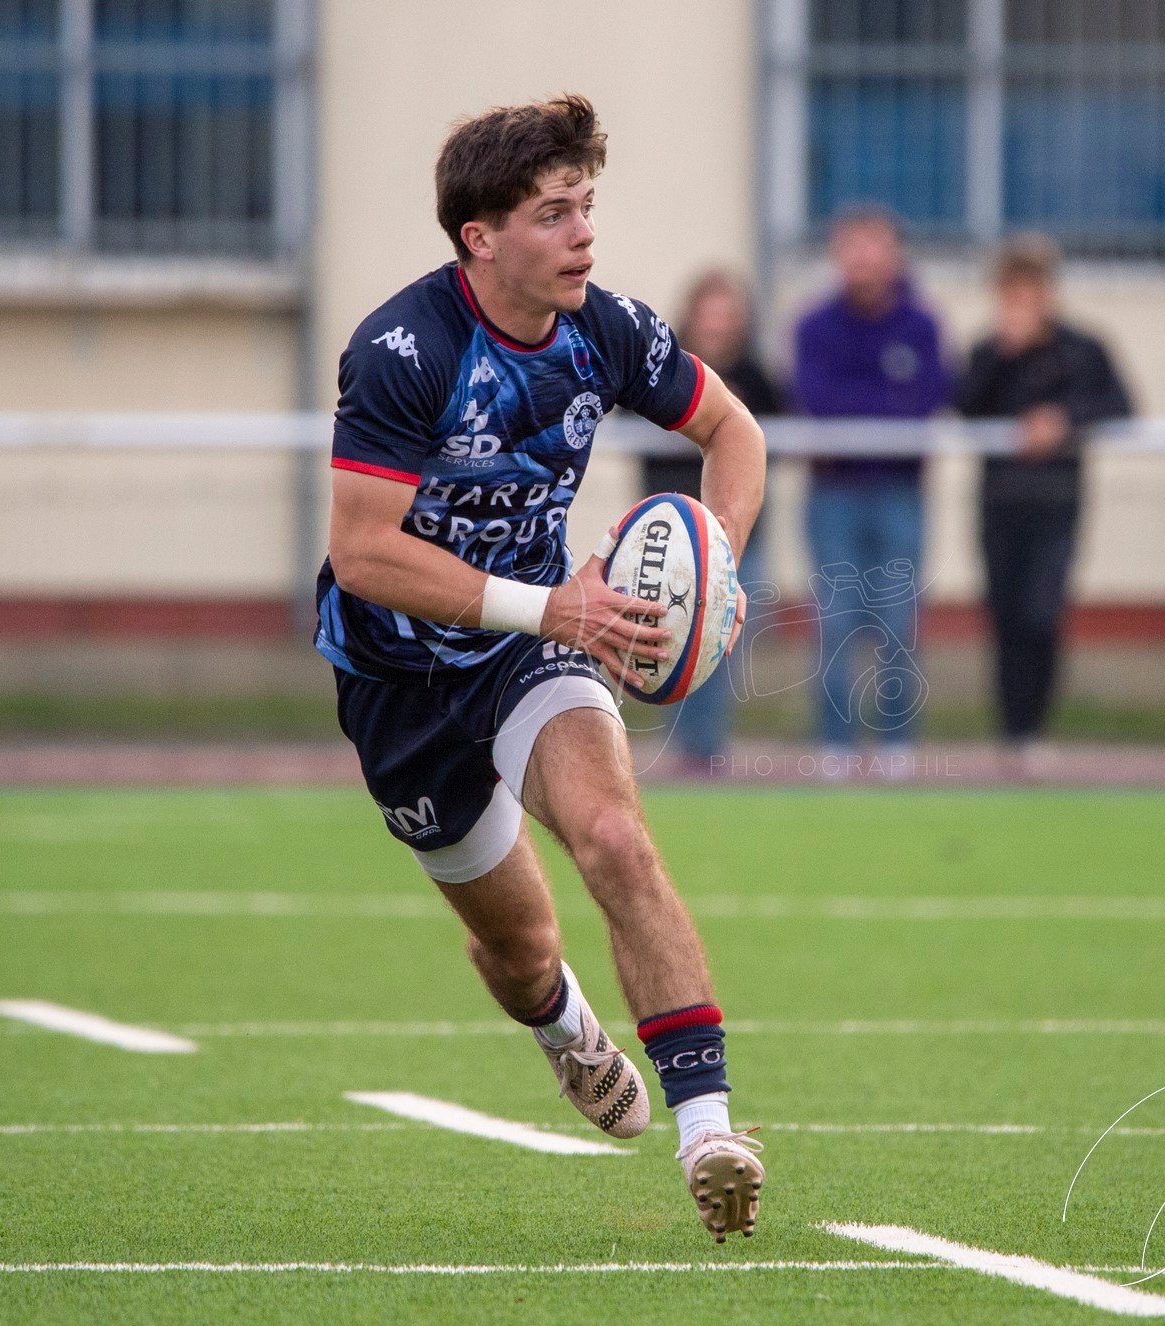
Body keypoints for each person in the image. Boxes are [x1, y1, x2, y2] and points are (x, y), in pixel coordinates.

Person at [315, 96, 767, 1240]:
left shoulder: (605, 329)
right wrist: (553, 603)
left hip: (532, 653)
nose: (583, 235)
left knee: (614, 835)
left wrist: (717, 568)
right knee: (518, 950)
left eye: (587, 207)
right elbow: (363, 554)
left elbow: (737, 436)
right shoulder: (403, 350)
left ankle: (710, 1127)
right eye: (554, 213)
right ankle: (565, 1031)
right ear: (481, 236)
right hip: (398, 681)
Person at [956, 236, 1132, 769]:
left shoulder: (1082, 349)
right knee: (1005, 615)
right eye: (1011, 289)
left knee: (1041, 612)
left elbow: (1119, 403)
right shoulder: (989, 351)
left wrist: (1062, 420)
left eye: (1031, 288)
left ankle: (1035, 728)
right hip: (1000, 500)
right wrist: (1004, 359)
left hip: (1056, 501)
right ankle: (1012, 732)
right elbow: (963, 407)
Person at [791, 208, 950, 768]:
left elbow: (926, 401)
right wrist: (881, 408)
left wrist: (869, 417)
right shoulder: (814, 326)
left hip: (901, 494)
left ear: (894, 254)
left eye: (873, 247)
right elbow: (817, 400)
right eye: (851, 247)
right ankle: (835, 746)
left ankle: (897, 746)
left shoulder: (922, 326)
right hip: (832, 496)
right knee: (834, 623)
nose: (862, 260)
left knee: (899, 623)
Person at [638, 271, 782, 774]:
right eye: (709, 309)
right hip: (666, 542)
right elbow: (623, 417)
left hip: (732, 539)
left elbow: (770, 436)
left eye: (727, 310)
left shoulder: (757, 377)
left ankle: (707, 749)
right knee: (665, 640)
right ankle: (680, 751)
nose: (718, 322)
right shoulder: (662, 370)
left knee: (717, 641)